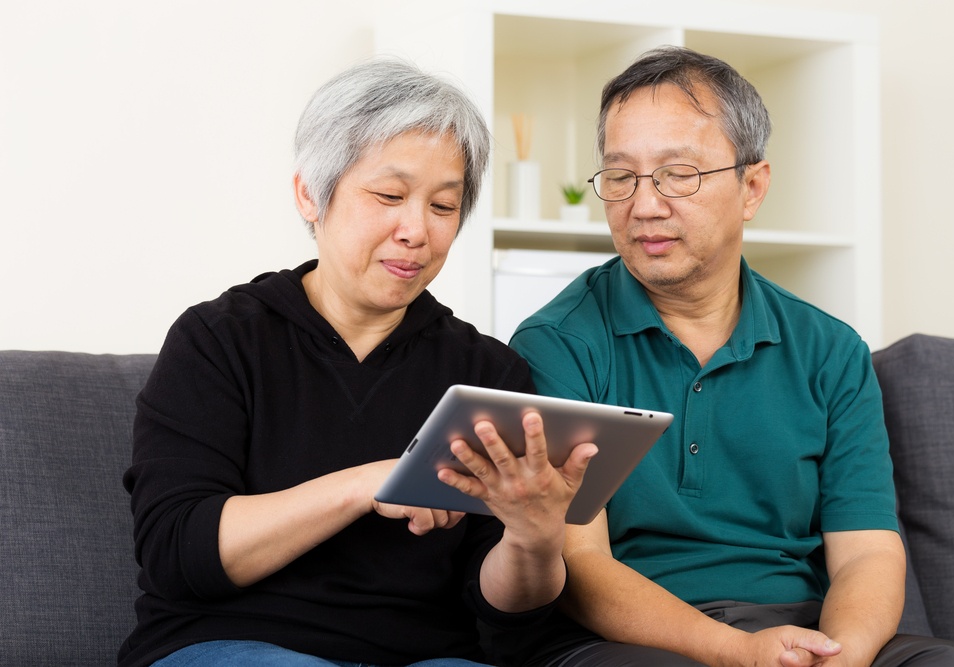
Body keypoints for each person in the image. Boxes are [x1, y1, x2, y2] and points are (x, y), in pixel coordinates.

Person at [501, 46, 954, 667]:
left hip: (801, 628)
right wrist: (736, 652)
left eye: (679, 174)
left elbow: (868, 552)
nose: (644, 205)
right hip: (627, 639)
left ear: (752, 187)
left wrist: (838, 654)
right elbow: (579, 562)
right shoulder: (558, 343)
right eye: (621, 176)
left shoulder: (830, 351)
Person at [117, 58, 597, 667]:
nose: (416, 230)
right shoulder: (219, 339)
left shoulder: (488, 372)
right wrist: (367, 485)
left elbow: (505, 615)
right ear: (310, 196)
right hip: (232, 646)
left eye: (444, 206)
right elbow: (178, 550)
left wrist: (534, 538)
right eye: (389, 196)